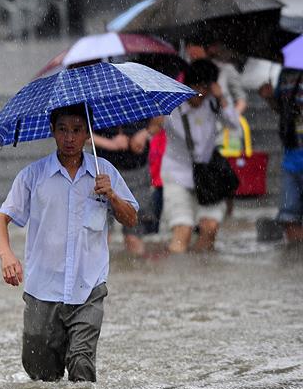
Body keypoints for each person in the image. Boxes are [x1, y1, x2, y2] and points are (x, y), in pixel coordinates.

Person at [0, 103, 138, 382]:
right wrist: (6, 256)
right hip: (42, 290)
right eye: (62, 130)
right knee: (42, 379)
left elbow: (131, 219)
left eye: (77, 130)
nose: (69, 138)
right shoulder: (33, 176)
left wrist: (113, 197)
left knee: (82, 367)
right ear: (52, 131)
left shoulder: (104, 173)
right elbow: (0, 220)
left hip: (89, 287)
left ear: (88, 135)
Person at [161, 59, 239, 253]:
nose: (201, 94)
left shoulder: (213, 103)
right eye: (198, 88)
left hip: (208, 176)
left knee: (210, 228)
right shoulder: (170, 106)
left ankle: (200, 275)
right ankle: (179, 278)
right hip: (177, 176)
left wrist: (222, 99)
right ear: (188, 85)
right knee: (183, 230)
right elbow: (153, 128)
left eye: (206, 88)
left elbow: (234, 124)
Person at [91, 117, 162, 256]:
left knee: (134, 234)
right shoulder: (92, 99)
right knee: (101, 233)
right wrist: (109, 143)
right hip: (102, 171)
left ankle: (136, 274)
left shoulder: (143, 96)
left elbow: (158, 121)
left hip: (137, 171)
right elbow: (81, 133)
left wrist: (145, 133)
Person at [258, 66, 303, 244]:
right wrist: (270, 98)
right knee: (288, 217)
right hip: (291, 158)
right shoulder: (287, 73)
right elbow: (283, 109)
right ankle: (294, 259)